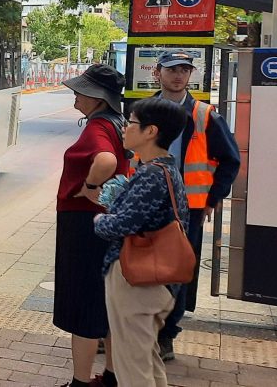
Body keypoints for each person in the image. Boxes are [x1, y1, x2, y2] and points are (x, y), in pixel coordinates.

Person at [148, 51, 240, 361]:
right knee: (142, 265)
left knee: (178, 270)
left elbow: (230, 160)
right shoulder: (144, 110)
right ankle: (141, 326)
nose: (179, 76)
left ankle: (166, 334)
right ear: (158, 72)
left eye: (185, 70)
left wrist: (213, 199)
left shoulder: (204, 115)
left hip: (188, 209)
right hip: (147, 205)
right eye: (172, 69)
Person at [94, 97, 191, 387]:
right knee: (147, 361)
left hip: (138, 282)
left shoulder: (151, 174)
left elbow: (121, 225)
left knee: (132, 370)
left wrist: (100, 221)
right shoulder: (167, 169)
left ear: (151, 131)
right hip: (159, 282)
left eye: (132, 122)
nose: (124, 128)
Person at [55, 64, 131, 387]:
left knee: (83, 305)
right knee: (106, 304)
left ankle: (80, 382)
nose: (75, 96)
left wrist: (88, 186)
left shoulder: (98, 127)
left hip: (85, 224)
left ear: (98, 98)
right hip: (105, 223)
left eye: (81, 91)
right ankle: (111, 377)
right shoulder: (118, 122)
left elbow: (106, 161)